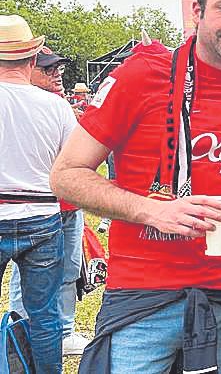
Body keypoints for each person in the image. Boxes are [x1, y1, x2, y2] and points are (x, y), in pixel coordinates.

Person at [50, 0, 221, 373]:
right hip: (143, 301)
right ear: (198, 12)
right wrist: (153, 209)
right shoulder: (144, 74)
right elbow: (66, 174)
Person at [0, 15, 75, 374]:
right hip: (43, 216)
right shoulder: (57, 106)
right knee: (45, 314)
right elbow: (73, 166)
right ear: (31, 60)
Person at [8, 45, 91, 356]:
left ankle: (64, 332)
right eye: (48, 69)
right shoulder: (31, 106)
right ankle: (21, 336)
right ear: (29, 69)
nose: (58, 73)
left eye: (59, 67)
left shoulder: (58, 105)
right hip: (39, 210)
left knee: (69, 270)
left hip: (67, 207)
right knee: (28, 280)